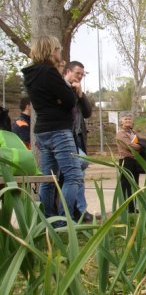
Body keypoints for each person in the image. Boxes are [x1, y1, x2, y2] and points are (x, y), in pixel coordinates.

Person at [22, 35, 83, 226]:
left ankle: (48, 220)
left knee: (48, 178)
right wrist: (65, 97)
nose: (60, 52)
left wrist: (60, 100)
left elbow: (56, 100)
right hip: (58, 130)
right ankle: (65, 222)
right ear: (50, 51)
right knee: (73, 175)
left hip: (42, 130)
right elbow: (71, 100)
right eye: (58, 49)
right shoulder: (49, 72)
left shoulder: (31, 74)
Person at [64, 61, 95, 222]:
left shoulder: (77, 92)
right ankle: (74, 211)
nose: (80, 77)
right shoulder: (62, 89)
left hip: (78, 137)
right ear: (68, 71)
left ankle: (81, 211)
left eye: (83, 75)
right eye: (78, 73)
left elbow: (88, 112)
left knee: (79, 175)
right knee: (80, 165)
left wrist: (81, 95)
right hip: (65, 137)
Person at [116, 111, 142, 213]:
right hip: (126, 160)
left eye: (129, 119)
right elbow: (129, 146)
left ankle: (133, 207)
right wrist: (141, 146)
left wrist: (141, 145)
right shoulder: (120, 134)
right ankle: (127, 208)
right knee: (126, 185)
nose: (128, 120)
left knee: (134, 184)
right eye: (125, 119)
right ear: (121, 121)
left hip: (135, 160)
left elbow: (142, 141)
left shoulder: (133, 132)